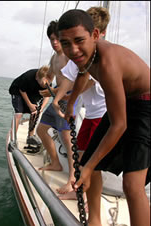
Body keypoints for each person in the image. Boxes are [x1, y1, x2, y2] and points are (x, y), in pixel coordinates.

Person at [57, 9, 150, 226]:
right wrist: (70, 106)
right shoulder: (86, 57)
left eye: (79, 41)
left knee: (132, 184)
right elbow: (82, 74)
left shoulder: (108, 63)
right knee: (91, 161)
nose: (73, 50)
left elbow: (119, 125)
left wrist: (86, 170)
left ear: (95, 34)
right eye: (66, 43)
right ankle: (95, 222)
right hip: (125, 100)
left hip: (147, 105)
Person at [52, 6, 110, 198]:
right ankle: (79, 192)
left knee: (91, 162)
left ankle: (84, 198)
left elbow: (88, 80)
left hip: (101, 114)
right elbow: (69, 78)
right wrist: (59, 99)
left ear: (97, 34)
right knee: (82, 154)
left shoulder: (102, 57)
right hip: (91, 114)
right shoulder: (77, 57)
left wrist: (70, 98)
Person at [37, 20, 80, 195]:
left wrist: (57, 92)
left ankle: (72, 178)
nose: (54, 43)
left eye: (57, 38)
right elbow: (50, 75)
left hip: (68, 100)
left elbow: (78, 80)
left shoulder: (69, 55)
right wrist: (45, 81)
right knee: (41, 129)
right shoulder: (54, 58)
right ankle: (55, 162)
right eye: (51, 39)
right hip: (56, 98)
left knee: (68, 140)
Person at [9, 66, 50, 145]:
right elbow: (22, 90)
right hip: (18, 90)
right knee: (19, 114)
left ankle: (30, 137)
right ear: (37, 77)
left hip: (32, 92)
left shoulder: (48, 80)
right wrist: (30, 105)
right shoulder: (28, 76)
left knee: (34, 112)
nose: (44, 85)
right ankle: (13, 138)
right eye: (42, 84)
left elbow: (47, 96)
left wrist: (41, 108)